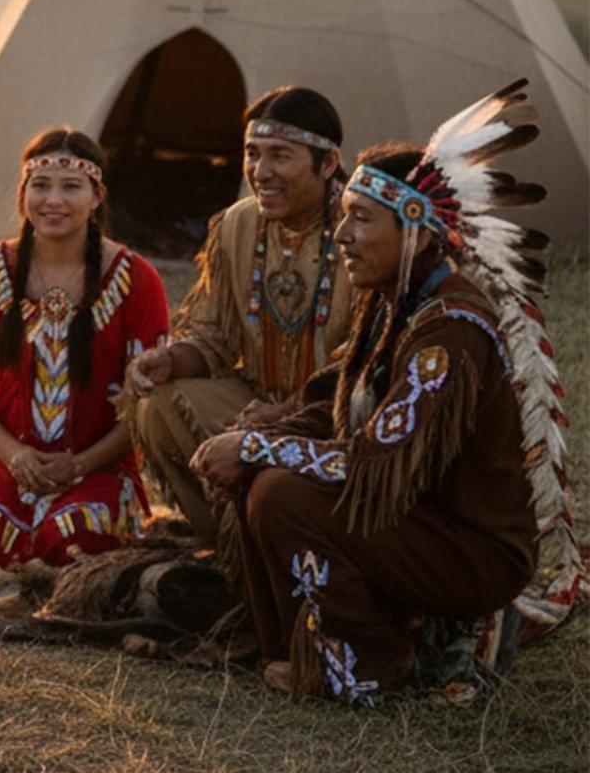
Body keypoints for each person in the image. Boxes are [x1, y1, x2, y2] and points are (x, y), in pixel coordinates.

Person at [189, 82, 575, 703]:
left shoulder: (448, 329)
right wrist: (267, 436)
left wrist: (261, 449)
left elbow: (378, 461)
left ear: (417, 232)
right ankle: (296, 646)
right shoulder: (392, 302)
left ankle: (372, 662)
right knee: (262, 476)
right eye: (344, 218)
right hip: (422, 522)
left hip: (472, 552)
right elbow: (329, 404)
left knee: (284, 493)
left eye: (361, 220)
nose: (341, 235)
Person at [123, 87, 354, 556]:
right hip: (256, 402)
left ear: (327, 164)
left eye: (279, 156)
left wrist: (290, 414)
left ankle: (297, 548)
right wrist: (171, 359)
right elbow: (214, 334)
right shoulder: (237, 224)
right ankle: (230, 549)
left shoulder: (362, 230)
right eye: (252, 154)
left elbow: (371, 361)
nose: (260, 172)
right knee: (155, 401)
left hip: (337, 419)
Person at [0, 127, 169, 580]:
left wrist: (79, 464)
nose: (53, 200)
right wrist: (14, 454)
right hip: (2, 460)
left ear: (97, 196)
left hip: (98, 465)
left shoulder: (137, 280)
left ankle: (48, 542)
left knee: (75, 540)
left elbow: (146, 405)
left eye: (71, 187)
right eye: (40, 186)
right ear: (23, 194)